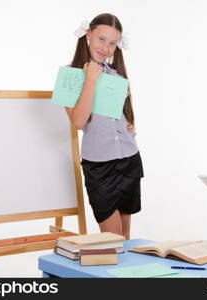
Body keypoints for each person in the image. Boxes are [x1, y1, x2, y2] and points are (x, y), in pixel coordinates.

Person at [64, 13, 143, 240]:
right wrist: (90, 79)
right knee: (112, 240)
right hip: (99, 166)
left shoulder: (115, 74)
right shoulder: (69, 75)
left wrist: (126, 125)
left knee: (125, 239)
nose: (106, 48)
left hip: (128, 158)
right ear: (88, 34)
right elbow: (78, 121)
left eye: (112, 43)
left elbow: (113, 115)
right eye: (101, 39)